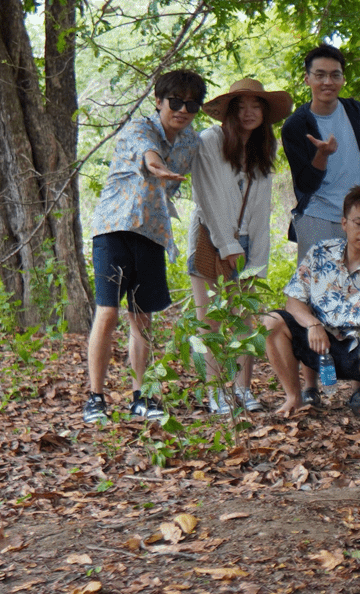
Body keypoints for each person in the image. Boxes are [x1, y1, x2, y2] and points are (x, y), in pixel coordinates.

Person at [83, 69, 206, 424]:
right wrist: (158, 168)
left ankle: (143, 395)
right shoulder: (140, 128)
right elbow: (148, 154)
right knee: (107, 313)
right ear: (159, 101)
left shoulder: (191, 142)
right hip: (114, 228)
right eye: (176, 102)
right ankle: (95, 396)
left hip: (152, 234)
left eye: (191, 104)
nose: (183, 110)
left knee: (143, 319)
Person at [262, 186, 360, 418]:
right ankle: (294, 397)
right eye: (358, 223)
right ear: (344, 223)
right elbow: (293, 302)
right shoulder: (320, 253)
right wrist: (312, 324)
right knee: (272, 321)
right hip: (319, 344)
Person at [187, 77, 292, 415]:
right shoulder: (211, 140)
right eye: (241, 106)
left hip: (246, 243)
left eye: (256, 106)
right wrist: (227, 243)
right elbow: (208, 198)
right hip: (210, 239)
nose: (249, 113)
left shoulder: (264, 148)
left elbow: (262, 209)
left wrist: (257, 260)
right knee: (212, 321)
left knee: (245, 319)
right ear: (229, 111)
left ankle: (243, 389)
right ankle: (217, 392)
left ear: (264, 112)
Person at [283, 44, 360, 263]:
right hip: (318, 218)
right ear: (307, 79)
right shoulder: (295, 126)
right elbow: (305, 185)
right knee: (318, 292)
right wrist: (322, 155)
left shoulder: (356, 112)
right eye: (320, 75)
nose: (327, 82)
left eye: (335, 75)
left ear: (343, 79)